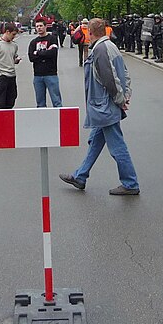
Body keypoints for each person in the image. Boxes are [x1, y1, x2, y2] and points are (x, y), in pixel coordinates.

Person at [60, 18, 139, 196]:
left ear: (90, 32)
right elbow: (124, 73)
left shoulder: (100, 50)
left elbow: (109, 79)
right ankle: (80, 176)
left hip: (104, 107)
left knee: (117, 146)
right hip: (106, 106)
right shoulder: (110, 46)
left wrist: (120, 99)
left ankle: (130, 183)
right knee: (95, 143)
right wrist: (125, 96)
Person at [28, 18, 62, 107]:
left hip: (51, 74)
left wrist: (38, 53)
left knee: (57, 101)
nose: (39, 28)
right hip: (37, 75)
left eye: (41, 26)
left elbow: (53, 53)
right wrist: (45, 53)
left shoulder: (52, 39)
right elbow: (31, 57)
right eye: (37, 26)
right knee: (40, 103)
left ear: (45, 26)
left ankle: (59, 119)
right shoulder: (33, 42)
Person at [0, 22, 21, 109]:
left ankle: (7, 121)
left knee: (11, 101)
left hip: (12, 76)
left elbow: (12, 58)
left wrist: (16, 60)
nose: (14, 37)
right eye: (13, 34)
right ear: (7, 32)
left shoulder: (14, 45)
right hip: (2, 77)